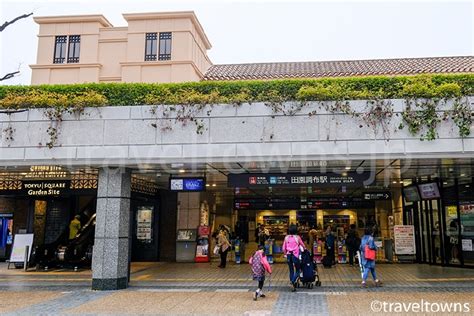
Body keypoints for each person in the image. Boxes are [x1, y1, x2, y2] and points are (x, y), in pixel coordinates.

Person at [282, 224, 306, 292]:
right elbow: (302, 244)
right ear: (296, 230)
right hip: (295, 255)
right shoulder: (297, 237)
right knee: (298, 270)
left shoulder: (286, 237)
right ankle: (292, 282)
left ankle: (292, 283)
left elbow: (283, 248)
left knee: (291, 270)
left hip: (289, 255)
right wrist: (305, 248)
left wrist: (285, 254)